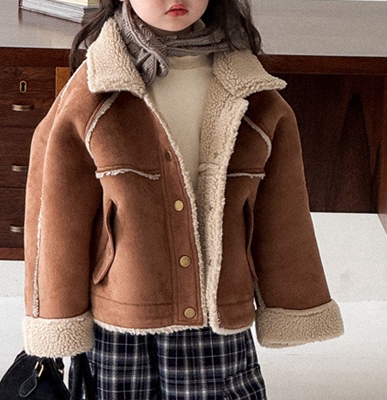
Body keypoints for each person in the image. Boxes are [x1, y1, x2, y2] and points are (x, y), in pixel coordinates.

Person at [22, 0, 344, 398]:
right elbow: (55, 217)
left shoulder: (253, 93)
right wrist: (56, 317)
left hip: (215, 310)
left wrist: (292, 303)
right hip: (122, 314)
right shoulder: (93, 92)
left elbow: (282, 213)